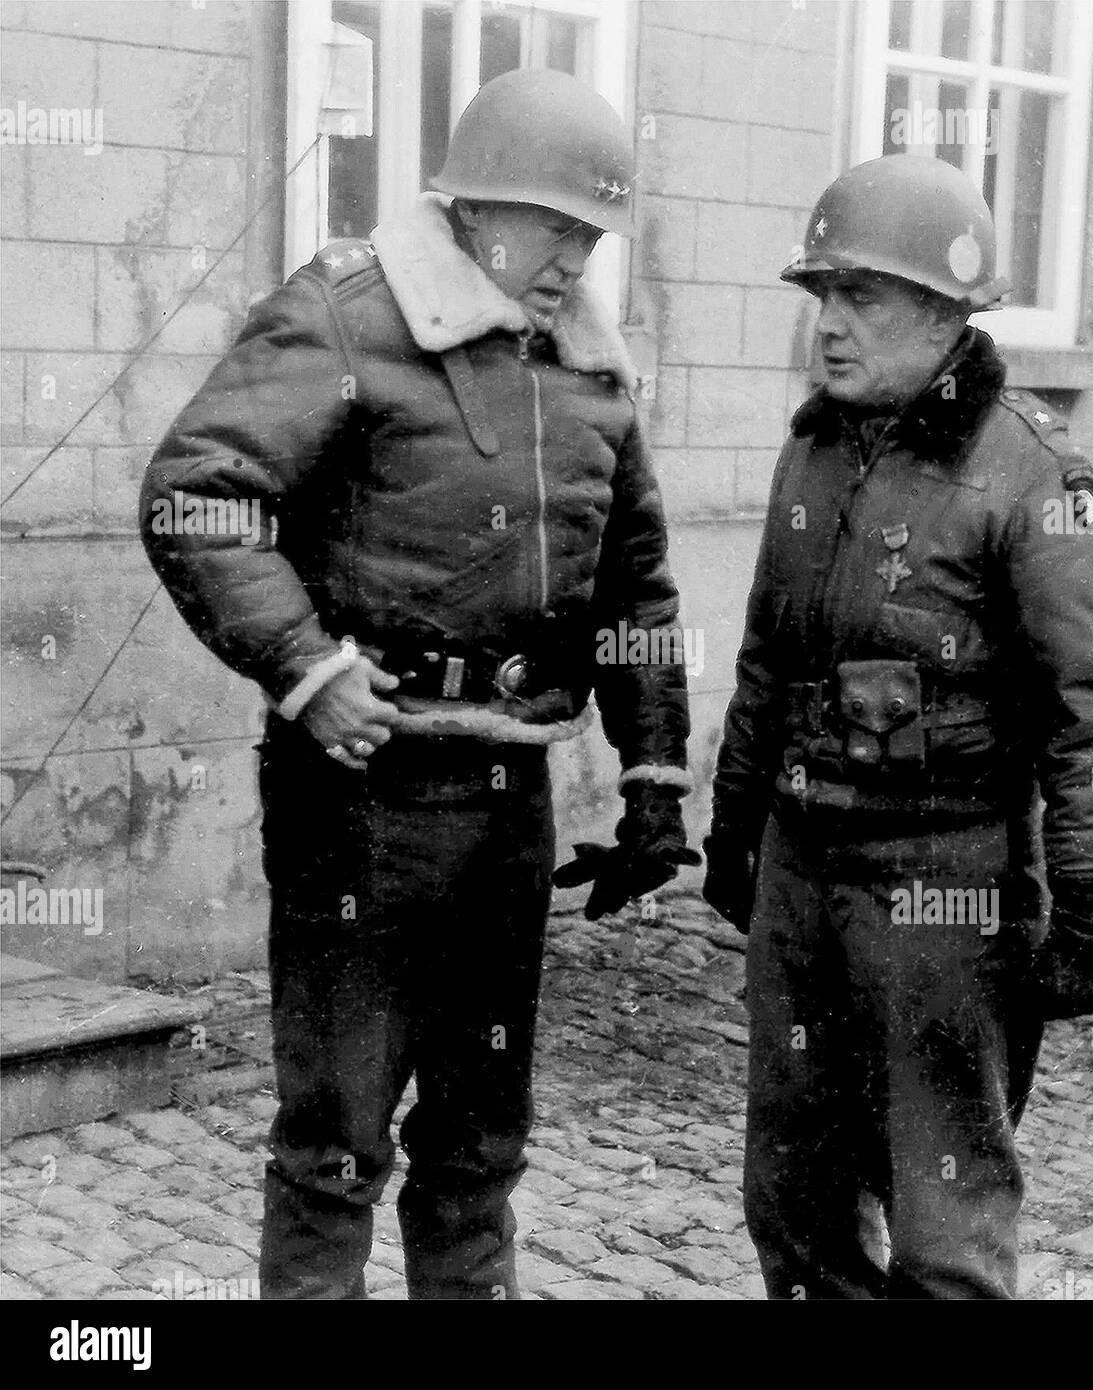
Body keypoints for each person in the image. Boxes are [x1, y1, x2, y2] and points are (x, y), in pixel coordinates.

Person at [140, 68, 695, 1300]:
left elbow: (637, 589)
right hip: (365, 798)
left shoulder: (588, 368)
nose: (575, 260)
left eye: (593, 234)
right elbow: (198, 495)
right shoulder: (344, 315)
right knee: (337, 1142)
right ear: (475, 206)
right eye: (558, 227)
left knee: (480, 1141)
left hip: (509, 800)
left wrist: (654, 778)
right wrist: (305, 667)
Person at [702, 154, 1093, 1300]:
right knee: (794, 1206)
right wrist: (734, 834)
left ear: (948, 314)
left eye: (863, 298)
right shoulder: (812, 448)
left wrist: (1087, 919)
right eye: (821, 297)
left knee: (943, 1226)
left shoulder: (1034, 474)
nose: (831, 327)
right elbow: (765, 657)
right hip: (804, 877)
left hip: (945, 887)